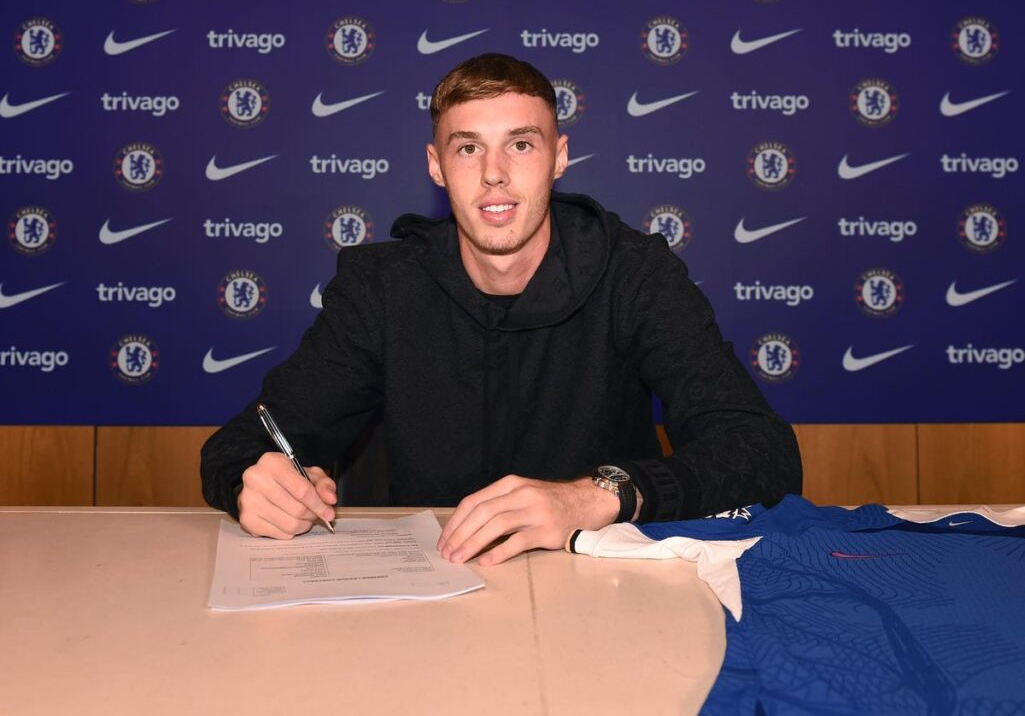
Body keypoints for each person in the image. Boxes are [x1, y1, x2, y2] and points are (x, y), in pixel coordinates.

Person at [201, 53, 802, 566]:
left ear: (559, 157)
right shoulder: (382, 287)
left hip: (603, 590)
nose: (494, 174)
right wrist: (252, 484)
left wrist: (594, 497)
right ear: (436, 166)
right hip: (429, 596)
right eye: (467, 148)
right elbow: (239, 447)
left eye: (520, 144)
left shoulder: (634, 273)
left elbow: (762, 452)